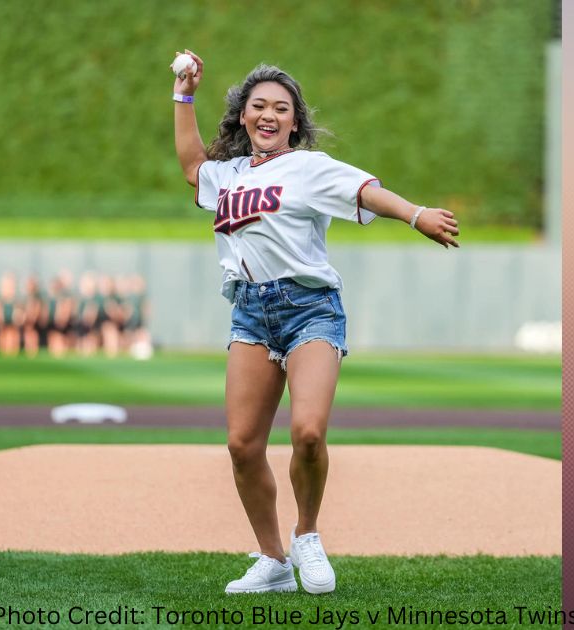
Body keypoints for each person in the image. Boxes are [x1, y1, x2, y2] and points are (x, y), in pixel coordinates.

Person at [171, 50, 460, 594]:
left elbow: (364, 192)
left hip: (310, 308)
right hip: (251, 313)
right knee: (241, 445)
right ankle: (273, 559)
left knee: (307, 432)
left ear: (294, 122)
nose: (269, 114)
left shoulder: (309, 166)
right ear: (242, 116)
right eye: (259, 105)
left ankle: (307, 535)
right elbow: (192, 167)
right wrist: (184, 95)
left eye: (281, 108)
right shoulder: (228, 174)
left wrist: (416, 214)